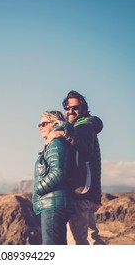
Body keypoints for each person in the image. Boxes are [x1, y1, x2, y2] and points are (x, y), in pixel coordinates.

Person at [47, 90, 104, 245]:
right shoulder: (83, 126)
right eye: (67, 107)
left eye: (75, 107)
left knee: (77, 243)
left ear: (83, 109)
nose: (70, 111)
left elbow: (85, 149)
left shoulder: (83, 127)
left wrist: (63, 133)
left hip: (82, 193)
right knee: (92, 240)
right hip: (89, 192)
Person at [32, 110, 76, 245]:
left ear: (55, 123)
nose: (40, 127)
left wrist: (39, 188)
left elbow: (58, 172)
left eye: (44, 124)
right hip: (54, 203)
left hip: (53, 205)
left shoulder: (56, 142)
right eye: (39, 125)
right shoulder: (56, 141)